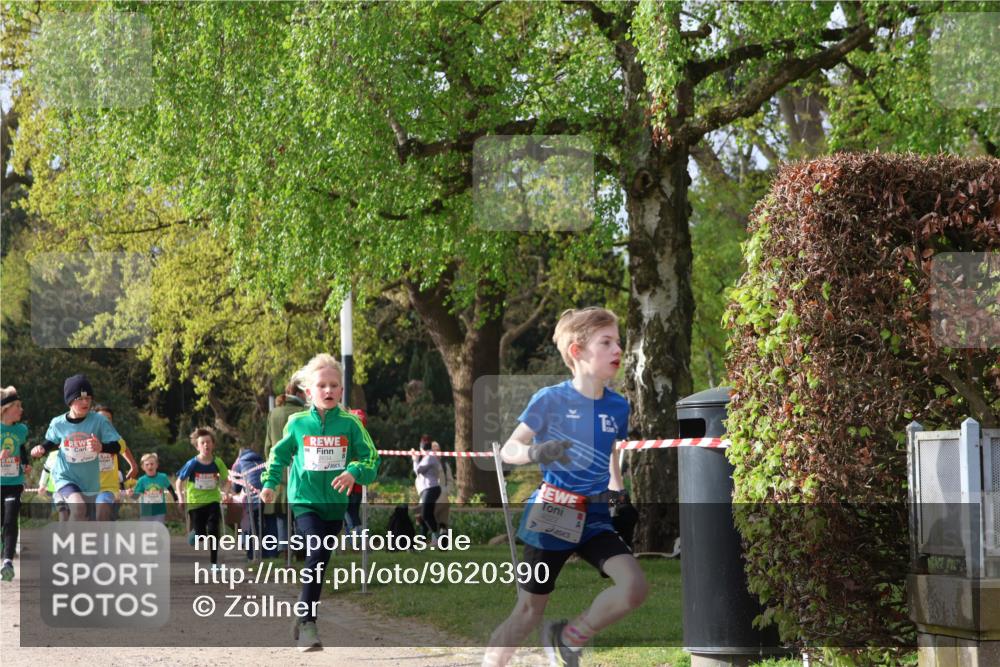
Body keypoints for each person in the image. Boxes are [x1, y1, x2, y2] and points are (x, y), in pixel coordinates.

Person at [483, 308, 648, 667]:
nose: (617, 349)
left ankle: (568, 637)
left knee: (633, 587)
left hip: (596, 516)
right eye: (605, 342)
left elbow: (610, 453)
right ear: (577, 351)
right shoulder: (550, 400)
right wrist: (535, 451)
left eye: (618, 341)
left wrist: (619, 494)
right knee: (527, 612)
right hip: (554, 513)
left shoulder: (618, 406)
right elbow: (509, 450)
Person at [259, 353, 379, 652]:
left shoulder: (350, 424)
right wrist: (270, 484)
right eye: (321, 386)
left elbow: (371, 460)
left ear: (341, 391)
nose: (328, 391)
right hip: (305, 501)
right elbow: (280, 454)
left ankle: (302, 615)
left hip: (335, 505)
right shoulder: (296, 423)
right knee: (314, 555)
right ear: (309, 392)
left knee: (321, 562)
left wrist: (354, 471)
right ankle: (310, 624)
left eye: (333, 386)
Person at [31, 375, 123, 522]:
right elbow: (50, 441)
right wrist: (41, 448)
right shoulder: (58, 423)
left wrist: (101, 447)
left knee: (87, 518)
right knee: (79, 507)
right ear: (69, 401)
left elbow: (117, 446)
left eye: (88, 398)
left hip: (90, 481)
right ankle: (70, 543)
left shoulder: (100, 421)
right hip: (65, 476)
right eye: (80, 399)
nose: (85, 402)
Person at [265, 372, 308, 551]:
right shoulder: (303, 413)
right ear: (299, 393)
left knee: (282, 514)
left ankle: (284, 549)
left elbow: (268, 445)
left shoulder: (273, 413)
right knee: (300, 513)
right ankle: (300, 548)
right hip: (300, 470)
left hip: (279, 471)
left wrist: (270, 469)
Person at [176, 427, 230, 567]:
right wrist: (181, 499)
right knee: (201, 535)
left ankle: (214, 563)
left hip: (213, 500)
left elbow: (227, 480)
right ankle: (195, 533)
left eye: (208, 442)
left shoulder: (218, 462)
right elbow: (179, 482)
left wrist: (226, 493)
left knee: (213, 530)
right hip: (196, 503)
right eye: (202, 443)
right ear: (197, 446)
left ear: (213, 444)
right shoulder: (192, 463)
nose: (206, 445)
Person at [1, 387, 31, 581]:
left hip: (14, 483)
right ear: (6, 408)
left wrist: (26, 464)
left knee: (11, 521)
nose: (21, 410)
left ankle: (8, 563)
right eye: (17, 407)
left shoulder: (21, 430)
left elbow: (21, 448)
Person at [231, 445, 276, 560]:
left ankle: (252, 553)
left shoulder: (239, 463)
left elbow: (235, 486)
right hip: (267, 494)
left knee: (252, 525)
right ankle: (269, 553)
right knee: (266, 524)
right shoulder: (261, 460)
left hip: (252, 496)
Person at [92, 404, 137, 521]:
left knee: (102, 512)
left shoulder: (115, 439)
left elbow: (124, 448)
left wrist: (133, 465)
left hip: (108, 487)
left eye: (108, 420)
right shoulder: (85, 437)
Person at [129, 452, 177, 524]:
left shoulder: (162, 477)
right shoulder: (141, 480)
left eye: (152, 464)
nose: (149, 466)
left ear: (157, 465)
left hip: (159, 511)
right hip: (146, 512)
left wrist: (176, 499)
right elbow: (136, 496)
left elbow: (170, 488)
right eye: (147, 464)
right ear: (143, 467)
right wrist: (131, 494)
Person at [412, 435, 443, 544]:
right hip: (429, 489)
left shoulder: (429, 457)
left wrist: (415, 460)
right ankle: (424, 539)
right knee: (425, 515)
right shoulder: (428, 457)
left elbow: (417, 470)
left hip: (431, 488)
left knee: (425, 515)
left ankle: (438, 537)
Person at [431, 441, 453, 533]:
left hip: (443, 499)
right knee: (431, 520)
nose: (437, 452)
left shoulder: (445, 465)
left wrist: (446, 491)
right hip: (430, 498)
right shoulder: (426, 464)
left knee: (443, 522)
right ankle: (433, 540)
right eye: (434, 450)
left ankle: (443, 542)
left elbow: (450, 480)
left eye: (438, 450)